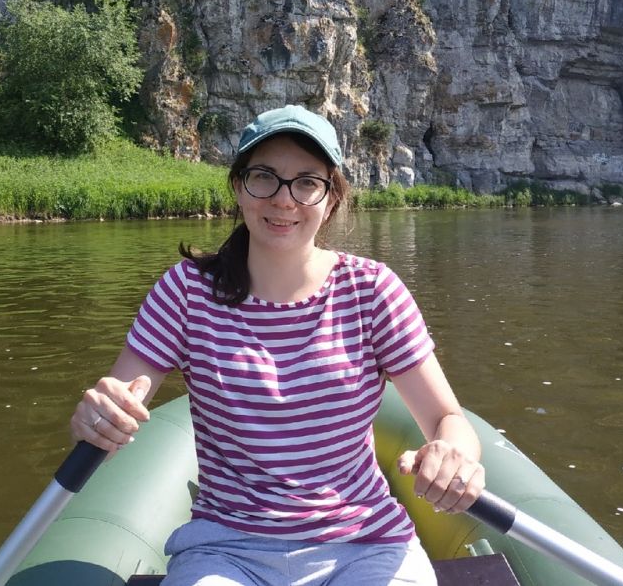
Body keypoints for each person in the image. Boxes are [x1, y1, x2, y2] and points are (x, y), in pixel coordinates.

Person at [71, 104, 485, 586]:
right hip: (225, 551)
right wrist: (96, 419)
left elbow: (447, 419)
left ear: (332, 197)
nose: (284, 200)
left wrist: (455, 454)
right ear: (238, 187)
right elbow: (109, 417)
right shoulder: (185, 292)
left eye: (307, 182)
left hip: (365, 545)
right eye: (265, 177)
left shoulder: (373, 290)